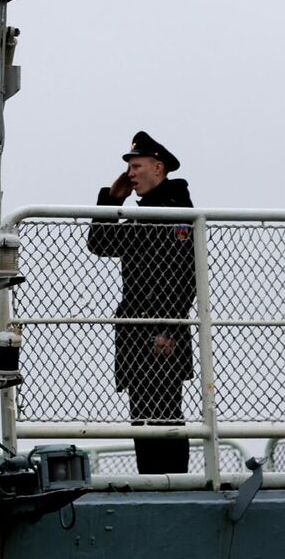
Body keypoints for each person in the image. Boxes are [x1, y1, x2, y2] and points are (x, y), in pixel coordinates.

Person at [85, 131, 196, 474]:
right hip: (135, 331)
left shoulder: (177, 210)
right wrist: (111, 200)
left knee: (165, 414)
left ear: (158, 167)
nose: (130, 174)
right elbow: (100, 243)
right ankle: (152, 481)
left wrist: (168, 327)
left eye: (136, 166)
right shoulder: (142, 213)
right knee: (143, 416)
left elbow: (185, 277)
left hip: (162, 331)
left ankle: (172, 484)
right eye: (129, 167)